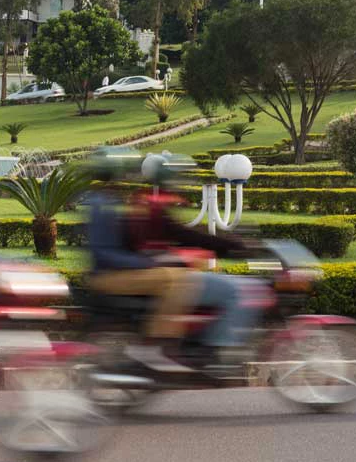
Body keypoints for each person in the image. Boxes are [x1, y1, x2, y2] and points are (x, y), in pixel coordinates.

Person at [85, 150, 267, 369]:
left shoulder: (117, 199)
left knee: (183, 276)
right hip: (109, 275)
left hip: (122, 269)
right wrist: (148, 262)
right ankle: (160, 345)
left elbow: (177, 235)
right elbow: (105, 250)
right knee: (177, 278)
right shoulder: (108, 203)